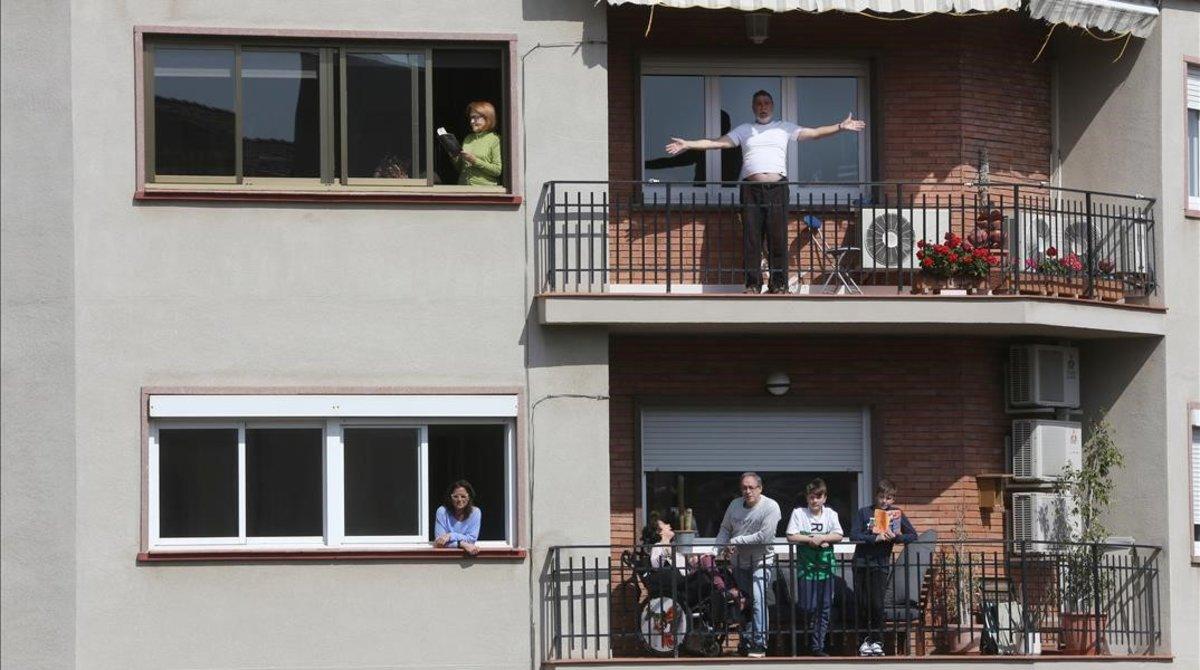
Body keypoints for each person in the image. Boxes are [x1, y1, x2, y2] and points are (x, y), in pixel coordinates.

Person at [665, 91, 866, 294]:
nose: (763, 107)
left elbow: (814, 133)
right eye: (759, 104)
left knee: (777, 237)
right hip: (751, 190)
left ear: (772, 106)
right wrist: (687, 144)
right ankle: (753, 285)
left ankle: (779, 285)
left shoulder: (784, 128)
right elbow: (716, 142)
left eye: (766, 103)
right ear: (753, 107)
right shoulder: (745, 130)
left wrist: (840, 127)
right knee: (752, 238)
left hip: (777, 189)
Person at [714, 472, 782, 658]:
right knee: (743, 603)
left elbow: (764, 537)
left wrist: (737, 540)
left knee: (759, 601)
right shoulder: (734, 505)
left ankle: (759, 644)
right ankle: (746, 641)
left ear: (760, 488)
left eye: (751, 487)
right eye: (744, 487)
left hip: (761, 561)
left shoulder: (770, 506)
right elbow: (725, 529)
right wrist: (714, 551)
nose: (747, 491)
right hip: (738, 563)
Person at [849, 478, 918, 657]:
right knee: (863, 604)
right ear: (876, 496)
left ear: (893, 499)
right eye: (881, 497)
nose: (884, 501)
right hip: (862, 563)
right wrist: (874, 537)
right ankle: (864, 641)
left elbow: (912, 535)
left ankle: (877, 641)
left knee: (877, 604)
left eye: (888, 498)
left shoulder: (896, 514)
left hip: (880, 564)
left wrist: (895, 537)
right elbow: (853, 535)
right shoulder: (864, 512)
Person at [786, 478, 844, 657]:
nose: (814, 501)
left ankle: (817, 646)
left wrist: (824, 538)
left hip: (826, 568)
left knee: (824, 608)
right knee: (808, 606)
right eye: (811, 497)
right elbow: (791, 535)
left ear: (824, 498)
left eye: (818, 497)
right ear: (807, 498)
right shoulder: (799, 513)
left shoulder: (831, 514)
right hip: (806, 568)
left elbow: (839, 535)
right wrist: (812, 539)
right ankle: (806, 640)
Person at [456, 101, 503, 187]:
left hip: (485, 191)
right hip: (463, 189)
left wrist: (475, 161)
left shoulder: (495, 139)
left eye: (475, 118)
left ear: (487, 118)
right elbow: (461, 168)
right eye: (471, 118)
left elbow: (497, 170)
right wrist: (454, 156)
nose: (472, 122)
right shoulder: (468, 138)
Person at [434, 479, 481, 556]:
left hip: (466, 559)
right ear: (450, 498)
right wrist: (461, 544)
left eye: (463, 496)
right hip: (445, 558)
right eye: (455, 496)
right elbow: (439, 543)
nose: (459, 500)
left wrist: (450, 535)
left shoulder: (475, 512)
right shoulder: (442, 511)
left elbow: (471, 540)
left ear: (469, 498)